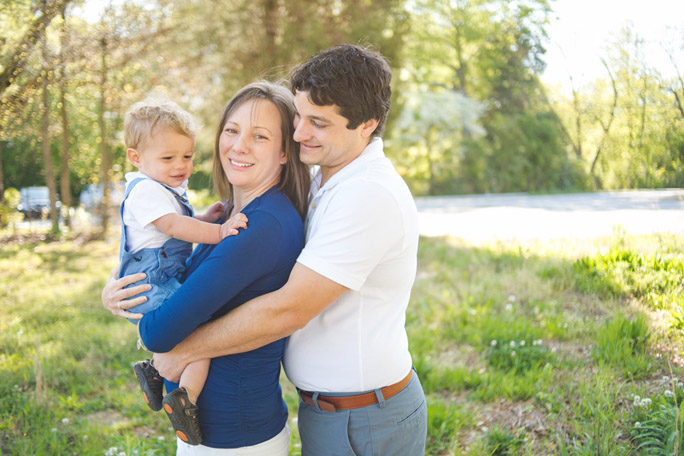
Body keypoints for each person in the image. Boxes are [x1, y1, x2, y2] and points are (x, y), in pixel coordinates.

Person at [104, 44, 427, 455]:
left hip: (364, 413)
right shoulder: (318, 181)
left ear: (367, 125)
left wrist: (179, 350)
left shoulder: (364, 195)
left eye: (319, 123)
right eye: (299, 117)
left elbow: (287, 309)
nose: (300, 133)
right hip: (323, 409)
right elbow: (166, 251)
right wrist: (116, 285)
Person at [106, 81, 310, 454]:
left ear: (285, 152)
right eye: (231, 130)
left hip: (235, 438)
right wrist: (118, 288)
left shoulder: (261, 226)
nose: (239, 145)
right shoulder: (237, 216)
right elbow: (164, 253)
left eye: (260, 136)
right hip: (218, 433)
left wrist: (161, 334)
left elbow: (156, 333)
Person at [120, 98, 250, 444]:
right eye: (168, 158)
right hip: (151, 285)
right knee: (202, 336)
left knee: (194, 330)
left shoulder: (161, 186)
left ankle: (153, 372)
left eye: (187, 157)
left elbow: (178, 223)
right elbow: (174, 227)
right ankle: (185, 400)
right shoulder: (144, 190)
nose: (180, 165)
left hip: (158, 279)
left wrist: (205, 219)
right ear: (136, 157)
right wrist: (220, 231)